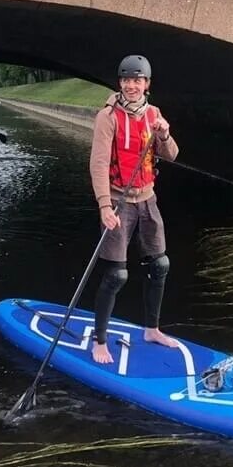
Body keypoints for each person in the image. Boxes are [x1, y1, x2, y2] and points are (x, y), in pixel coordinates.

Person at [88, 55, 181, 365]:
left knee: (161, 265)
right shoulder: (108, 117)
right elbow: (99, 164)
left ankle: (151, 329)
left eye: (137, 80)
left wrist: (164, 133)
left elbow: (172, 155)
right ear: (121, 83)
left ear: (146, 84)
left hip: (147, 199)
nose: (131, 85)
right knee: (117, 274)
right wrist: (104, 205)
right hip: (118, 200)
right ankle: (99, 341)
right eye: (126, 80)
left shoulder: (154, 114)